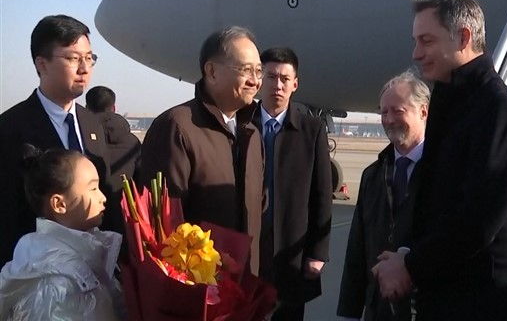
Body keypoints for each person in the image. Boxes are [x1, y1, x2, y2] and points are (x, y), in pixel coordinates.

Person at [372, 0, 507, 321]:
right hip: (447, 300)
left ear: (463, 37)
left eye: (426, 41)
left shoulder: (499, 110)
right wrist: (406, 253)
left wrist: (410, 265)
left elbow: (478, 221)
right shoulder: (450, 103)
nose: (416, 53)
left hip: (491, 303)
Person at [139, 26, 265, 275]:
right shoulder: (178, 127)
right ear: (212, 71)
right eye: (246, 70)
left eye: (259, 70)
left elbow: (259, 205)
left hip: (243, 282)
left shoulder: (251, 131)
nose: (255, 80)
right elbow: (163, 223)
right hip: (198, 286)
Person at [0, 15, 115, 268]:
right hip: (35, 274)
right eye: (74, 58)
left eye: (89, 58)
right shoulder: (10, 128)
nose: (84, 68)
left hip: (93, 271)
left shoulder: (92, 123)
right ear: (42, 64)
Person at [337, 71, 429, 321]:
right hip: (378, 310)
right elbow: (357, 251)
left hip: (427, 307)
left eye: (397, 111)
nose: (389, 120)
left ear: (423, 112)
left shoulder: (444, 171)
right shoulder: (373, 176)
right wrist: (349, 312)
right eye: (383, 112)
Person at [0, 145, 124, 320]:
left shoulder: (89, 256)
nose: (103, 198)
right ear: (59, 204)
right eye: (93, 188)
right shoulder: (54, 288)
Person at [253, 47, 332, 321]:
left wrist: (317, 252)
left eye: (285, 79)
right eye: (271, 77)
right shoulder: (241, 126)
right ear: (260, 79)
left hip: (292, 253)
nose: (278, 85)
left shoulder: (311, 130)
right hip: (248, 251)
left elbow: (322, 195)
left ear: (295, 84)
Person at [86, 86, 141, 188]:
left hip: (89, 201)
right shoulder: (133, 142)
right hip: (124, 201)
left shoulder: (82, 137)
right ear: (114, 108)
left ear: (86, 108)